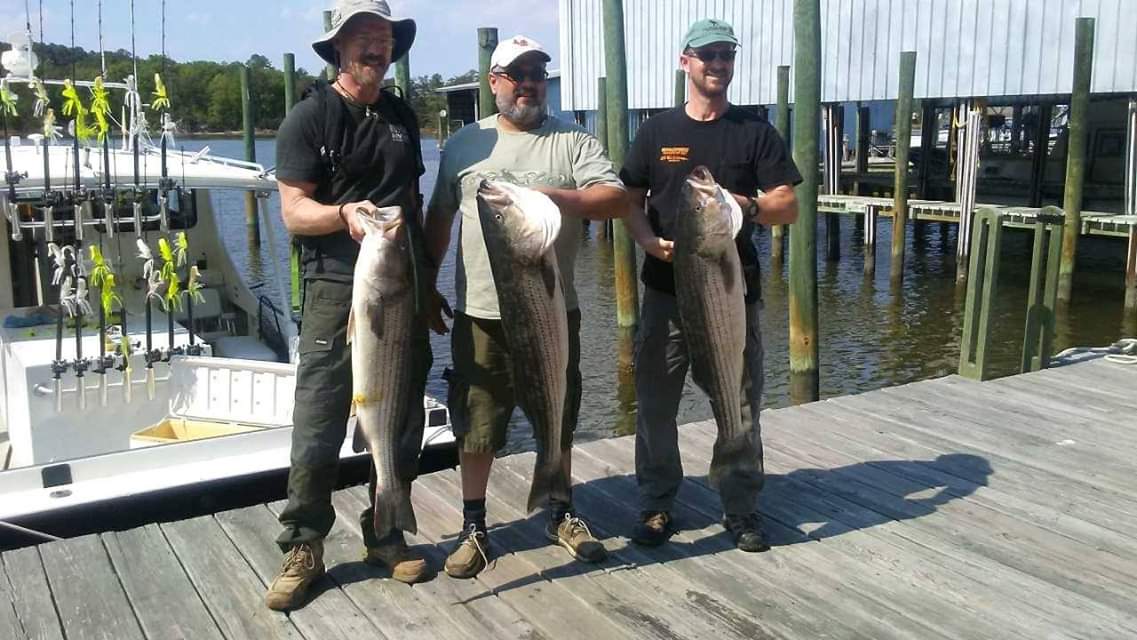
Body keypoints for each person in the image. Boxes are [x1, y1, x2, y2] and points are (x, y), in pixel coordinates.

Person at [423, 35, 626, 578]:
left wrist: (556, 198)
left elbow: (615, 198)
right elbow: (440, 216)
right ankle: (474, 526)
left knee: (557, 412)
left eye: (537, 72)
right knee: (478, 422)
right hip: (481, 314)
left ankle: (561, 509)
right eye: (516, 74)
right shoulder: (464, 144)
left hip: (554, 312)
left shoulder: (573, 141)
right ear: (494, 83)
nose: (529, 83)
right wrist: (425, 283)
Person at [266, 0, 432, 610]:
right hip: (336, 286)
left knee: (402, 414)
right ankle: (303, 545)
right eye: (361, 37)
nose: (374, 47)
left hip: (402, 279)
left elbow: (411, 204)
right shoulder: (309, 117)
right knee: (317, 422)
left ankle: (386, 530)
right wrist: (342, 214)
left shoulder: (400, 116)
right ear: (337, 48)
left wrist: (429, 283)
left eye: (383, 38)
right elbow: (293, 211)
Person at [620, 18, 801, 552]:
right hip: (665, 294)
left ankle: (741, 506)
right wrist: (649, 241)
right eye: (708, 55)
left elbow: (787, 204)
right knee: (655, 404)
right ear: (685, 62)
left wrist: (745, 204)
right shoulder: (656, 131)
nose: (718, 64)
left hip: (730, 293)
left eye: (726, 55)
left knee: (739, 402)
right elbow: (628, 198)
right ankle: (657, 504)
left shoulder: (755, 131)